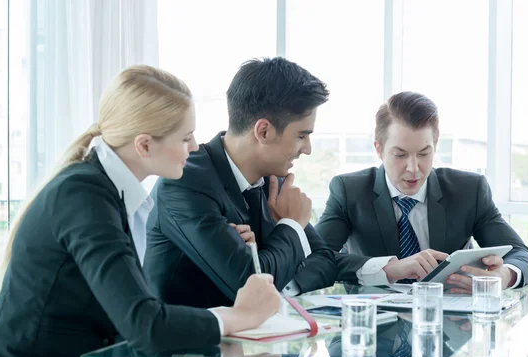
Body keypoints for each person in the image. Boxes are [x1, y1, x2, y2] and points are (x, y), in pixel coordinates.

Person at [0, 65, 282, 357]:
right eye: (185, 137)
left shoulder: (106, 192)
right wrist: (241, 315)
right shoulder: (84, 196)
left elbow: (135, 310)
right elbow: (145, 326)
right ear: (144, 145)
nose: (195, 147)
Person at [144, 57, 371, 309]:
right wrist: (291, 225)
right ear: (263, 131)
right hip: (186, 343)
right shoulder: (185, 181)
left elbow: (324, 260)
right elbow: (247, 284)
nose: (306, 149)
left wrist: (275, 274)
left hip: (258, 337)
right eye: (301, 136)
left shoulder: (274, 177)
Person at [316, 91, 528, 292]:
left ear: (435, 144)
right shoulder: (349, 191)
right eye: (400, 155)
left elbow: (522, 256)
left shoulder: (469, 190)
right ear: (379, 149)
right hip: (372, 325)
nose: (413, 168)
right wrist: (390, 268)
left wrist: (504, 275)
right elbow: (314, 261)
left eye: (424, 153)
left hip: (448, 325)